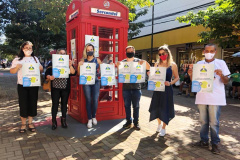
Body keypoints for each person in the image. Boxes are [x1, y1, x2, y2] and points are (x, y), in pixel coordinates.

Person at [189, 44, 230, 154]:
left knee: (214, 122)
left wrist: (221, 75)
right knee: (203, 121)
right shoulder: (199, 64)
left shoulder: (221, 63)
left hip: (215, 98)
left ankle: (215, 143)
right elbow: (194, 81)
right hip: (202, 96)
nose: (209, 52)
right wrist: (190, 74)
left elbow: (226, 81)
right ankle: (204, 141)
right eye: (207, 50)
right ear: (203, 51)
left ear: (215, 51)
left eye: (211, 50)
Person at [10, 41, 43, 133]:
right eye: (26, 48)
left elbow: (41, 69)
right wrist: (17, 67)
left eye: (30, 48)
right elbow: (12, 71)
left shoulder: (35, 58)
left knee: (32, 103)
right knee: (23, 104)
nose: (28, 50)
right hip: (22, 85)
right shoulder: (17, 59)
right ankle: (23, 124)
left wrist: (40, 68)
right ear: (22, 48)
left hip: (33, 85)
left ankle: (30, 123)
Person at [117, 46, 150, 130]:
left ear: (134, 52)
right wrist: (117, 66)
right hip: (126, 88)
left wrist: (145, 62)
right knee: (127, 106)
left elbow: (149, 68)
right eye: (128, 51)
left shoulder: (139, 61)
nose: (130, 52)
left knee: (136, 106)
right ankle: (128, 122)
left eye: (132, 51)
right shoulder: (123, 62)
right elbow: (119, 73)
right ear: (126, 52)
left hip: (136, 88)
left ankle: (136, 123)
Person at [148, 45, 179, 136]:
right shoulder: (156, 64)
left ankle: (164, 128)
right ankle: (159, 124)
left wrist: (170, 83)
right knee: (156, 107)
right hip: (158, 89)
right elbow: (154, 78)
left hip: (167, 90)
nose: (161, 55)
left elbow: (177, 78)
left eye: (163, 53)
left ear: (167, 53)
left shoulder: (173, 65)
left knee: (165, 108)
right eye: (160, 54)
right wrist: (150, 75)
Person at [45, 49, 76, 130]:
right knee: (55, 104)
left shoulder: (68, 62)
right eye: (60, 53)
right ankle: (54, 121)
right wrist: (49, 77)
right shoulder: (52, 63)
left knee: (64, 104)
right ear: (57, 54)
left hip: (65, 87)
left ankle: (63, 120)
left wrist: (70, 65)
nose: (62, 54)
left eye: (64, 53)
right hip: (55, 87)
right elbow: (46, 73)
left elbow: (73, 73)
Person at [78, 43, 102, 128]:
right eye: (88, 50)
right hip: (86, 83)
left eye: (91, 50)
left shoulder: (97, 60)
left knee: (95, 100)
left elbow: (104, 70)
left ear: (93, 50)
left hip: (95, 82)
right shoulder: (83, 60)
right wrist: (78, 66)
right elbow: (79, 74)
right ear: (86, 51)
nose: (90, 51)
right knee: (88, 100)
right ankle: (89, 119)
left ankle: (94, 117)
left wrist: (110, 66)